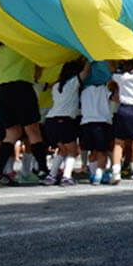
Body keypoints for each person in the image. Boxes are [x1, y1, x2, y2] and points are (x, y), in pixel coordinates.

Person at [0, 44, 48, 188]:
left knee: (12, 131)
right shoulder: (23, 42)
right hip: (20, 85)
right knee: (33, 130)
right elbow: (39, 69)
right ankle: (44, 171)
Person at [106, 55, 133, 185]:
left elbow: (112, 70)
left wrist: (108, 57)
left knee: (119, 143)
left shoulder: (122, 78)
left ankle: (115, 172)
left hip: (125, 109)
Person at [41, 58, 86, 186]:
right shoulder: (73, 83)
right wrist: (89, 59)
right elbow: (86, 72)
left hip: (51, 120)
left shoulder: (56, 86)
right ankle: (66, 176)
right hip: (65, 120)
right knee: (72, 151)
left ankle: (52, 175)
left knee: (62, 150)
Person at [79, 63, 116, 185]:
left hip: (86, 123)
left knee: (92, 151)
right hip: (102, 123)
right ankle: (99, 175)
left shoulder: (84, 91)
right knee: (102, 151)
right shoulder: (104, 90)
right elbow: (115, 97)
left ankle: (93, 173)